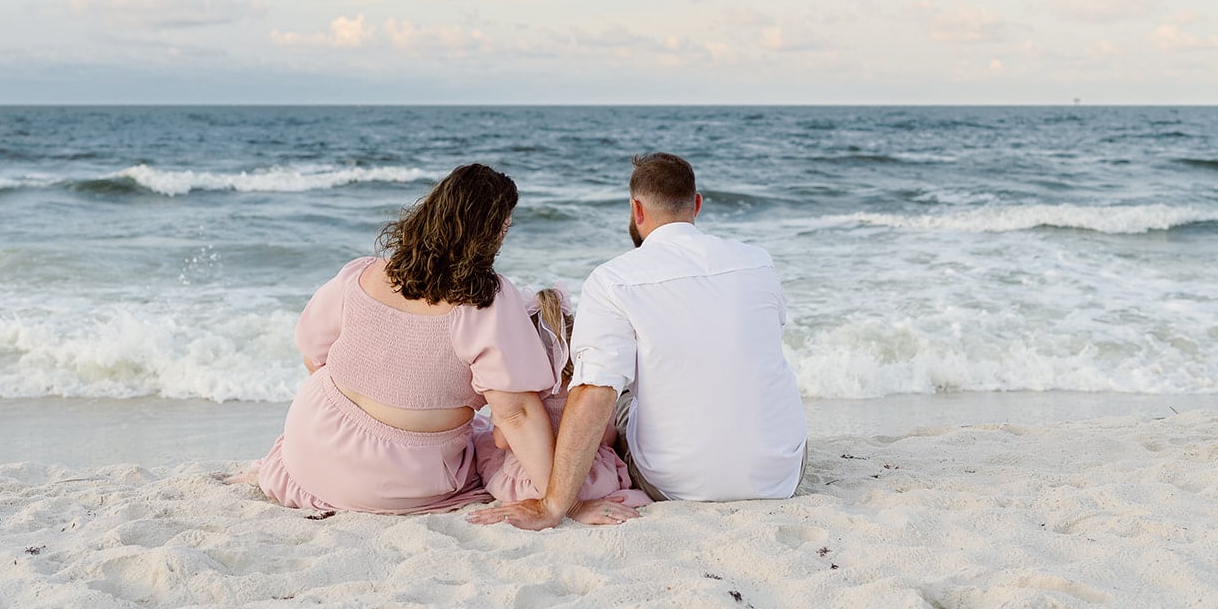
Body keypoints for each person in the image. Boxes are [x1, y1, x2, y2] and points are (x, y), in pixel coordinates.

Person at [471, 152, 807, 530]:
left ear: (637, 209)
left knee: (622, 397)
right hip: (780, 474)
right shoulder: (758, 262)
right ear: (696, 205)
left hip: (675, 485)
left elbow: (595, 391)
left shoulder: (612, 279)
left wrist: (554, 505)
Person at [248, 163, 558, 514]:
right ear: (491, 234)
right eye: (505, 227)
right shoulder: (486, 302)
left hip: (308, 447)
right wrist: (557, 501)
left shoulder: (361, 274)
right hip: (399, 477)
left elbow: (312, 355)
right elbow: (516, 414)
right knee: (493, 442)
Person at [470, 287, 651, 513]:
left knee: (485, 440)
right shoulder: (586, 386)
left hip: (526, 484)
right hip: (589, 483)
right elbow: (605, 435)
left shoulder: (519, 392)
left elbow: (503, 441)